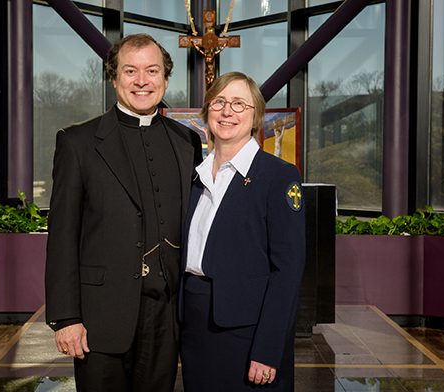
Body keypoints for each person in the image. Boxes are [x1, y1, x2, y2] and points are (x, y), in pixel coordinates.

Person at [45, 33, 202, 392]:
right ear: (114, 78)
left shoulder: (187, 141)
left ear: (165, 78)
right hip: (100, 315)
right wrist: (66, 318)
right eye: (130, 71)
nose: (142, 81)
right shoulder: (77, 142)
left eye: (152, 71)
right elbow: (63, 236)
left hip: (166, 314)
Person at [179, 72, 306, 391]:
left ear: (255, 116)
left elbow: (287, 271)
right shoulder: (193, 178)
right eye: (219, 102)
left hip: (248, 331)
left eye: (239, 103)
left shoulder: (277, 176)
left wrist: (268, 349)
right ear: (207, 111)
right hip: (195, 326)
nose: (227, 111)